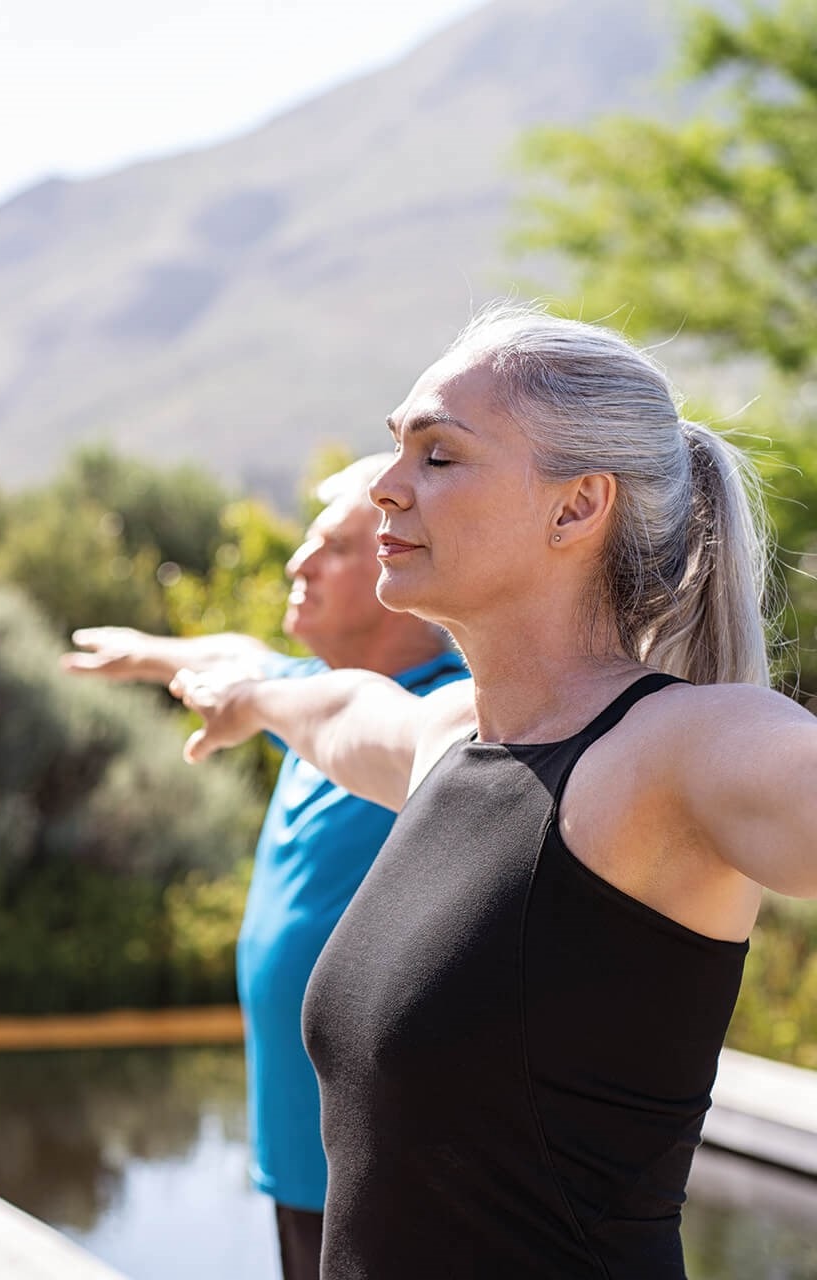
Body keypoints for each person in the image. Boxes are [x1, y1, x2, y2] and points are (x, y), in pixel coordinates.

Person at [169, 301, 817, 1279]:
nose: (384, 489)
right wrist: (250, 695)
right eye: (397, 450)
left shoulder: (678, 748)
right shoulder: (450, 742)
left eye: (437, 455)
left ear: (574, 505)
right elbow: (341, 710)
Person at [62, 456, 467, 1280]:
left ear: (406, 571)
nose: (297, 564)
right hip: (302, 1157)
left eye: (332, 547)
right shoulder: (307, 691)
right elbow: (239, 654)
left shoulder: (448, 717)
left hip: (398, 1170)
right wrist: (146, 652)